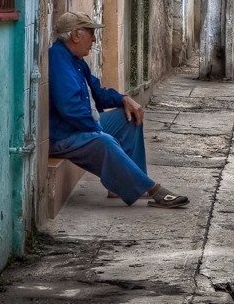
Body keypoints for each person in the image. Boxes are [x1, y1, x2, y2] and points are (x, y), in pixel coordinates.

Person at [48, 12, 189, 208]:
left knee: (129, 116)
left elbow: (98, 92)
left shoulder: (77, 61)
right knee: (105, 141)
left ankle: (125, 185)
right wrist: (96, 130)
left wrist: (123, 99)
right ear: (76, 35)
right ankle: (152, 189)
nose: (94, 39)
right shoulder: (58, 59)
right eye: (90, 33)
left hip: (83, 125)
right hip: (65, 135)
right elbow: (69, 108)